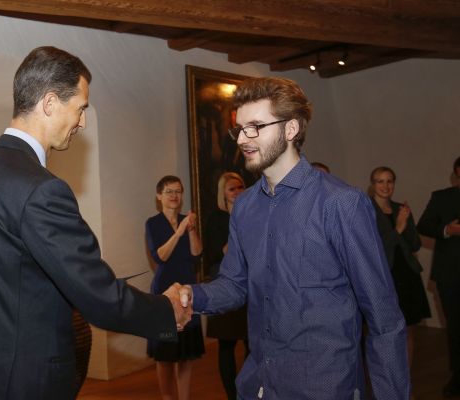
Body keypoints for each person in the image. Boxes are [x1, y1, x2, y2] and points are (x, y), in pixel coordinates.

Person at [0, 46, 189, 400]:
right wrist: (166, 311)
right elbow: (97, 295)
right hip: (25, 384)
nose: (82, 122)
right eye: (81, 108)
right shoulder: (41, 188)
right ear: (49, 103)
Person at [176, 76, 409, 399]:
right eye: (239, 129)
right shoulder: (244, 206)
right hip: (259, 383)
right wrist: (191, 295)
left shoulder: (341, 203)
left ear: (291, 129)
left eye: (256, 127)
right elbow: (234, 284)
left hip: (324, 386)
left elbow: (384, 319)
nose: (242, 139)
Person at [146, 175, 204, 400]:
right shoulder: (153, 223)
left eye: (178, 191)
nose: (174, 196)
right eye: (169, 191)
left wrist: (190, 230)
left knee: (186, 355)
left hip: (187, 290)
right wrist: (179, 231)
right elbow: (160, 256)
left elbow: (197, 254)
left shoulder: (186, 221)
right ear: (159, 196)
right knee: (165, 354)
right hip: (165, 292)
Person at [369, 166, 431, 369]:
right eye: (380, 181)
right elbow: (373, 248)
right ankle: (386, 380)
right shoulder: (366, 210)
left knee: (408, 330)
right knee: (384, 332)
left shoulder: (400, 209)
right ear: (373, 185)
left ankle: (405, 381)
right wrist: (398, 228)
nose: (385, 186)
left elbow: (415, 245)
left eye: (389, 181)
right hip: (384, 276)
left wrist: (406, 223)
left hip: (407, 275)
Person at [417, 156, 460, 398]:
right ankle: (458, 376)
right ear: (456, 173)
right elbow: (423, 225)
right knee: (455, 327)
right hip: (450, 275)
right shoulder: (442, 197)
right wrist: (447, 230)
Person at [204, 172, 248, 400]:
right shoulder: (216, 219)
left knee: (252, 342)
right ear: (223, 194)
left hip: (250, 284)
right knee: (227, 343)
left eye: (240, 187)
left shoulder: (251, 213)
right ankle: (232, 394)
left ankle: (249, 390)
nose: (237, 191)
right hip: (225, 283)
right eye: (232, 189)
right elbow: (220, 252)